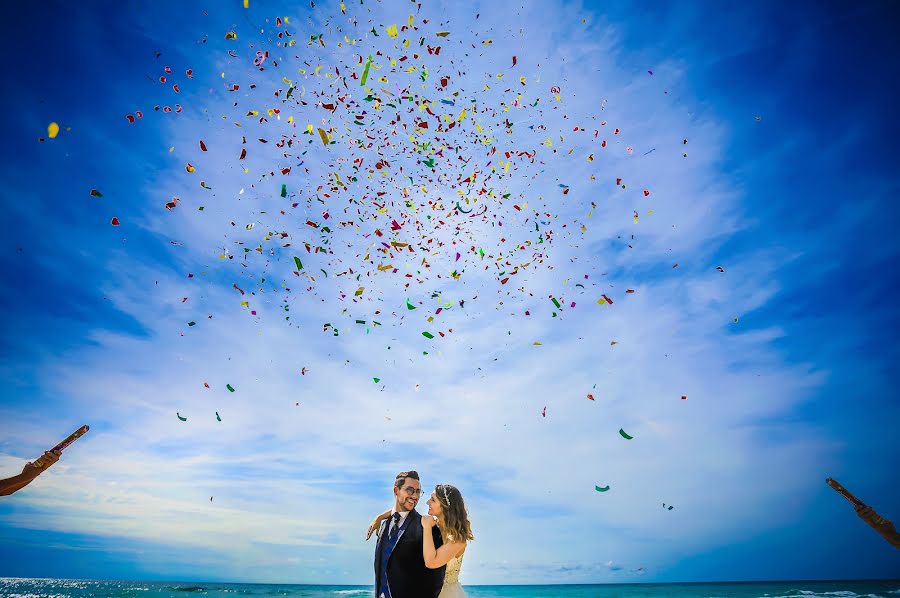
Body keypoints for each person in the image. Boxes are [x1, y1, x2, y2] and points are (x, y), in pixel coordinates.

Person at [369, 483, 474, 598]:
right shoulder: (433, 524)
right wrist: (380, 517)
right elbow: (405, 513)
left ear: (444, 506)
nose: (427, 502)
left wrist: (427, 528)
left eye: (433, 500)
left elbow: (431, 562)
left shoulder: (457, 540)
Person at [366, 470, 445, 598]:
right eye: (410, 490)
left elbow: (436, 580)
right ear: (396, 490)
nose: (415, 496)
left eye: (418, 492)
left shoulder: (427, 527)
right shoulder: (384, 525)